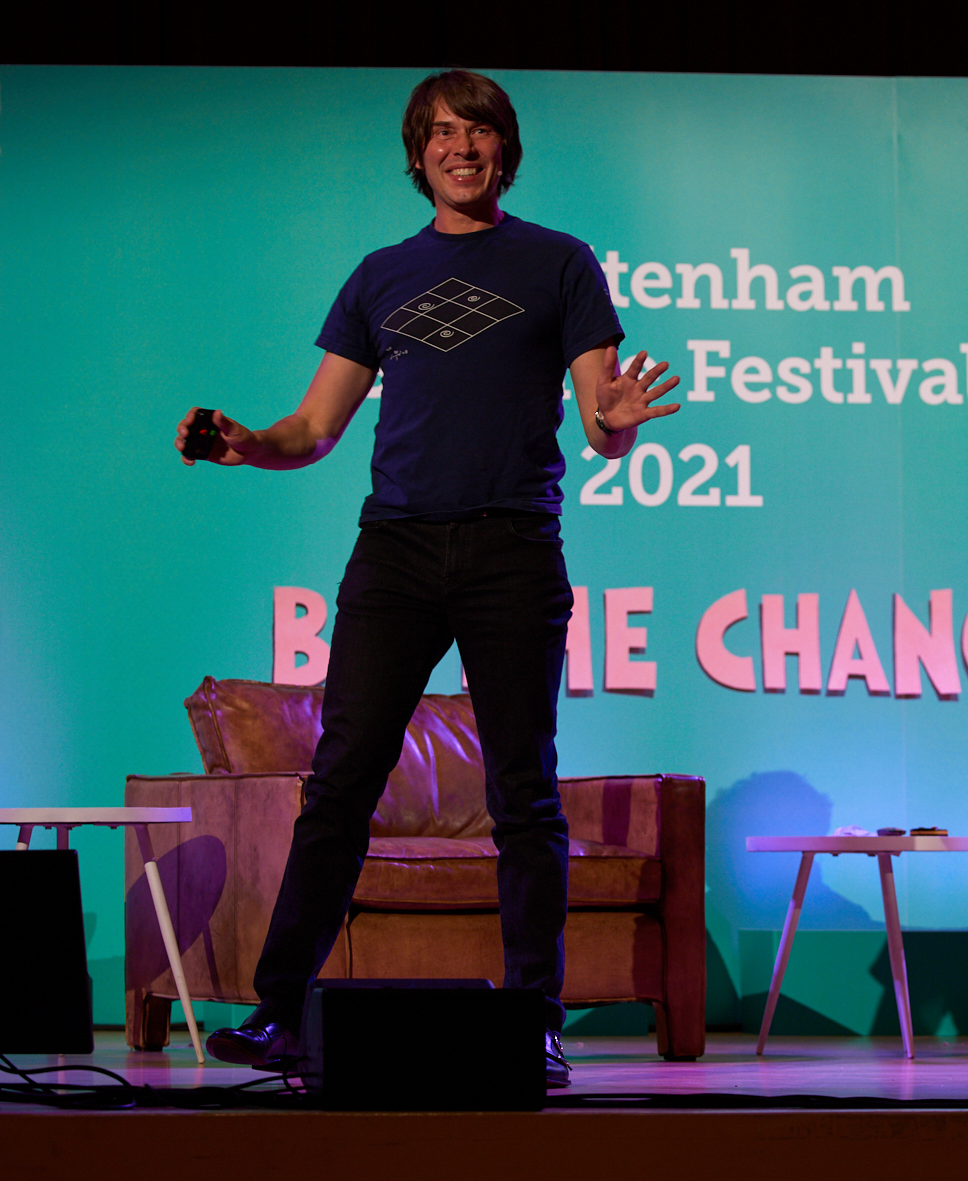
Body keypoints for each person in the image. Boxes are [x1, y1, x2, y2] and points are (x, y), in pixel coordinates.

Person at [174, 69, 679, 1086]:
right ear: (418, 155)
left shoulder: (560, 263)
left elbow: (598, 419)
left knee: (523, 792)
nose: (463, 146)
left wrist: (616, 422)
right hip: (396, 550)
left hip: (510, 549)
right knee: (342, 780)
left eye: (481, 130)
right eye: (443, 132)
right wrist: (242, 444)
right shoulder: (378, 276)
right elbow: (312, 429)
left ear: (507, 150)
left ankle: (535, 1018)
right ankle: (280, 1011)